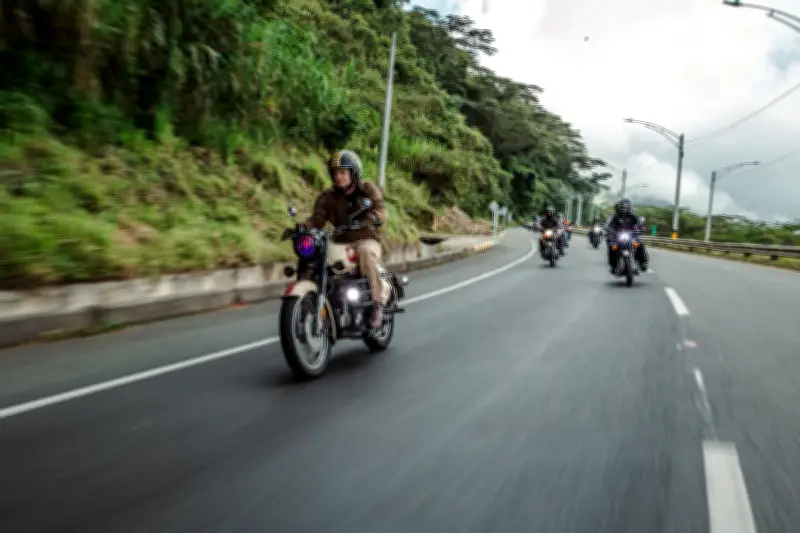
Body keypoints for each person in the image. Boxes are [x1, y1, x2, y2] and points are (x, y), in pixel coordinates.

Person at [302, 149, 388, 329]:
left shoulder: (367, 189)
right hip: (340, 241)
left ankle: (377, 305)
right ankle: (307, 300)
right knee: (312, 253)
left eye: (342, 172)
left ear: (353, 172)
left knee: (365, 252)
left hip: (366, 238)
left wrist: (371, 218)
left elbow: (380, 211)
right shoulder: (328, 197)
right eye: (335, 173)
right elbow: (317, 220)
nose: (338, 177)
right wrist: (303, 227)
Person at [605, 198, 648, 272]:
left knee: (640, 244)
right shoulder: (615, 217)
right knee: (612, 246)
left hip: (631, 236)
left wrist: (641, 229)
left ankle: (643, 262)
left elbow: (639, 225)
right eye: (623, 207)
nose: (625, 209)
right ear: (619, 207)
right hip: (617, 237)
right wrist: (609, 231)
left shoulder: (633, 217)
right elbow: (610, 226)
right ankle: (613, 265)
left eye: (626, 207)